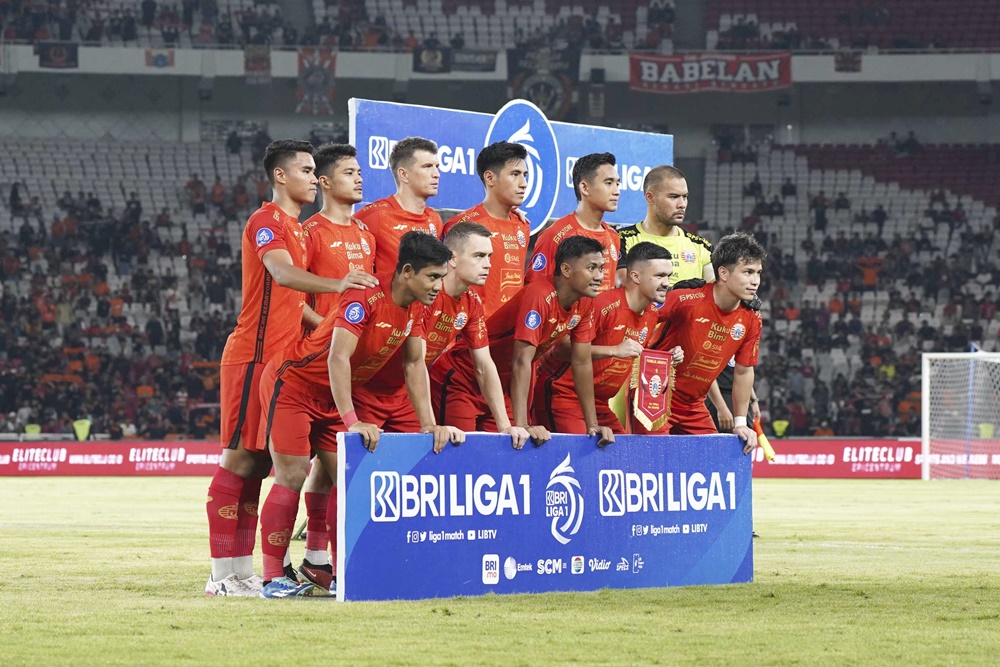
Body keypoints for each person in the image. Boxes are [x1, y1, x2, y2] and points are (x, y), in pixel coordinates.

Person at [253, 231, 464, 598]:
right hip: (295, 385)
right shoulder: (364, 296)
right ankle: (273, 578)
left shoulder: (419, 306)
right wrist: (352, 421)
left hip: (334, 397)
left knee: (349, 481)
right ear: (407, 271)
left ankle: (341, 573)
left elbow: (414, 363)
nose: (438, 286)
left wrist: (428, 422)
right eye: (433, 276)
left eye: (442, 277)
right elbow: (337, 358)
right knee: (293, 473)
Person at [204, 140, 351, 598]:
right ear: (281, 176)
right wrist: (340, 284)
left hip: (283, 363)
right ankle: (220, 575)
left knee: (262, 463)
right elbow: (283, 276)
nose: (313, 177)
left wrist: (332, 325)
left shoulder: (302, 229)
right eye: (306, 170)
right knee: (239, 460)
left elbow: (297, 304)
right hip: (253, 355)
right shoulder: (266, 221)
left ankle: (244, 573)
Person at [294, 142, 380, 592]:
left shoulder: (366, 235)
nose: (360, 179)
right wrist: (328, 332)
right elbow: (298, 299)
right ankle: (277, 563)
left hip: (350, 368)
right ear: (325, 182)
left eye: (360, 172)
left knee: (329, 469)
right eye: (350, 172)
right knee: (298, 470)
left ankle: (317, 559)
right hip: (312, 363)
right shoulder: (311, 232)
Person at [432, 236, 614, 446]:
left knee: (505, 454)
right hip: (464, 379)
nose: (599, 276)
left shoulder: (585, 302)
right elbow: (521, 360)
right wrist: (523, 424)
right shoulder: (539, 294)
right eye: (592, 268)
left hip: (502, 389)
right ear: (566, 270)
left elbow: (581, 362)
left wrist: (592, 424)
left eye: (601, 268)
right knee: (463, 453)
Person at [362, 223, 531, 444]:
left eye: (490, 256)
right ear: (452, 258)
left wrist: (506, 426)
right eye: (479, 256)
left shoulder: (471, 302)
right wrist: (431, 424)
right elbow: (415, 362)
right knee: (347, 470)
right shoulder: (424, 296)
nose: (488, 264)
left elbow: (484, 365)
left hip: (403, 394)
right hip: (367, 389)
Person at [636, 232, 765, 454]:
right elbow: (639, 324)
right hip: (655, 394)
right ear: (723, 273)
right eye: (748, 272)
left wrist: (741, 422)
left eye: (758, 273)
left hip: (693, 404)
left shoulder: (752, 317)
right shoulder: (685, 298)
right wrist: (662, 355)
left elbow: (743, 372)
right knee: (656, 461)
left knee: (711, 462)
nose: (755, 281)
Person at [533, 242, 683, 433]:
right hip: (564, 396)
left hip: (599, 403)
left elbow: (629, 352)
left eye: (668, 276)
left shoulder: (652, 313)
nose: (666, 283)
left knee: (622, 457)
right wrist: (615, 350)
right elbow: (560, 348)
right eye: (660, 276)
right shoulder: (602, 304)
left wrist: (666, 357)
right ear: (635, 276)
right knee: (581, 458)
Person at [443, 141, 530, 317]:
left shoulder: (523, 225)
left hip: (510, 335)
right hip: (473, 333)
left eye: (524, 175)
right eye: (515, 174)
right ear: (490, 178)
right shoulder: (462, 225)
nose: (523, 183)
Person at [527, 152, 621, 294]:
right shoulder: (556, 234)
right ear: (584, 188)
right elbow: (534, 291)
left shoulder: (613, 236)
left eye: (617, 184)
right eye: (608, 183)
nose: (617, 191)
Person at [354, 136, 443, 273]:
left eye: (437, 167)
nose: (437, 174)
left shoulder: (434, 219)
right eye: (427, 167)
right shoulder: (375, 215)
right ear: (404, 175)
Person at [615, 166, 713, 287]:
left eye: (685, 197)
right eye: (674, 197)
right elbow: (624, 286)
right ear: (650, 197)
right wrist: (676, 296)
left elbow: (715, 293)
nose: (682, 204)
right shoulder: (621, 240)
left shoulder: (702, 247)